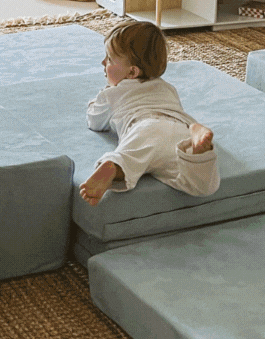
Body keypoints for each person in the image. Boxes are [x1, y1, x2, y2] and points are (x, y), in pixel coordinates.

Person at [79, 21, 220, 205]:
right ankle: (196, 152)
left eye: (109, 59)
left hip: (144, 126)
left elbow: (94, 121)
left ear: (132, 72)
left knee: (131, 157)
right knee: (200, 186)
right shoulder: (167, 87)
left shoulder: (112, 94)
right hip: (180, 128)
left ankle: (112, 167)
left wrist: (98, 98)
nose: (103, 62)